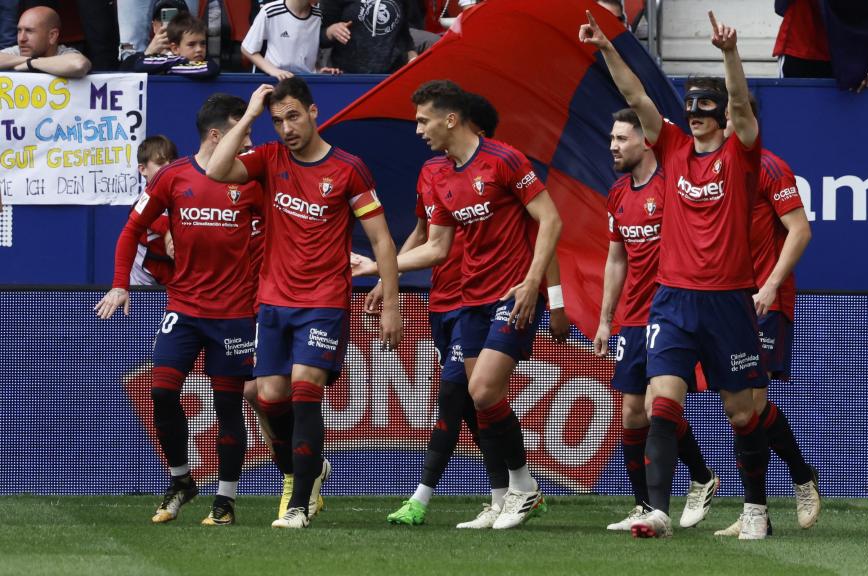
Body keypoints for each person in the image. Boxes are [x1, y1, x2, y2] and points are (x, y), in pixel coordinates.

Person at [581, 10, 772, 539]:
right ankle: (657, 511)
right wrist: (607, 48)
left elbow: (739, 103)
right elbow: (638, 96)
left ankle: (756, 510)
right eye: (689, 106)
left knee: (741, 413)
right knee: (660, 399)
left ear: (722, 118)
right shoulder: (671, 148)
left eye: (703, 107)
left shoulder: (741, 153)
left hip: (728, 299)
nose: (694, 115)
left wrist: (729, 54)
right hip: (672, 299)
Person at [352, 79, 562, 530]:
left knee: (483, 390)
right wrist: (376, 268)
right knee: (480, 399)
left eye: (423, 120)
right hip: (469, 298)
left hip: (511, 294)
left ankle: (520, 490)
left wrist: (533, 283)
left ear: (450, 119)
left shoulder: (504, 160)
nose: (418, 130)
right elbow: (436, 248)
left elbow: (551, 218)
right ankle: (516, 492)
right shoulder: (440, 174)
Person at [206, 77, 402, 529]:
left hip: (324, 300)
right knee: (268, 396)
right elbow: (216, 169)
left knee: (303, 390)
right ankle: (310, 468)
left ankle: (298, 503)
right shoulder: (270, 159)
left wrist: (391, 304)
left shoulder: (349, 169)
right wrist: (251, 115)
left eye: (293, 116)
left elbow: (382, 241)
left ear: (314, 112)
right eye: (277, 120)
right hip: (274, 300)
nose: (286, 127)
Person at [94, 94, 263, 526]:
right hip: (184, 309)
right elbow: (131, 229)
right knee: (161, 391)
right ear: (215, 135)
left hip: (234, 314)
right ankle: (182, 480)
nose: (250, 141)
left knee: (229, 407)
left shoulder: (253, 182)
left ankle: (224, 500)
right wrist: (119, 285)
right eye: (242, 131)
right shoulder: (172, 177)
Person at [594, 108, 719, 532]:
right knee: (631, 414)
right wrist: (605, 319)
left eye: (622, 138)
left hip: (670, 311)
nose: (613, 145)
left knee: (655, 406)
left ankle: (701, 479)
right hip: (630, 315)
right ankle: (646, 505)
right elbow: (616, 258)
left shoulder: (674, 187)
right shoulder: (616, 194)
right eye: (611, 138)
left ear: (646, 141)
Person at [712, 100, 819, 536]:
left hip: (764, 301)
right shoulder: (712, 174)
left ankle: (771, 498)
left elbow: (800, 229)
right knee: (739, 410)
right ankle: (790, 481)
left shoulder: (771, 168)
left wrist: (771, 285)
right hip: (724, 301)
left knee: (750, 406)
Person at [242, 0, 340, 79]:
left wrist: (318, 71)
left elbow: (306, 54)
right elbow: (247, 49)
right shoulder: (270, 11)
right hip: (276, 82)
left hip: (306, 83)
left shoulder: (318, 16)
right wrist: (273, 71)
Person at [320, 0, 417, 74]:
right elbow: (319, 37)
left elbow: (403, 35)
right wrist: (331, 31)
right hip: (347, 75)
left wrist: (413, 58)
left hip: (391, 75)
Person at [131, 136, 179, 287]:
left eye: (172, 162)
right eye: (160, 163)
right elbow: (163, 225)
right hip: (146, 282)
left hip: (180, 281)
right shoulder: (141, 203)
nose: (168, 168)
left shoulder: (188, 197)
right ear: (142, 169)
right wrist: (168, 236)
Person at [0, 6, 91, 77]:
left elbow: (79, 64)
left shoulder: (64, 53)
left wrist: (31, 64)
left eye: (29, 31)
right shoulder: (20, 51)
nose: (22, 39)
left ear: (52, 36)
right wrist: (29, 60)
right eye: (19, 31)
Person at [130, 13, 220, 79]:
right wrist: (179, 61)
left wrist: (171, 69)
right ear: (175, 48)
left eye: (203, 43)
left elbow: (209, 69)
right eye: (191, 44)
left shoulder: (208, 62)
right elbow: (140, 65)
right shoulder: (168, 59)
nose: (199, 49)